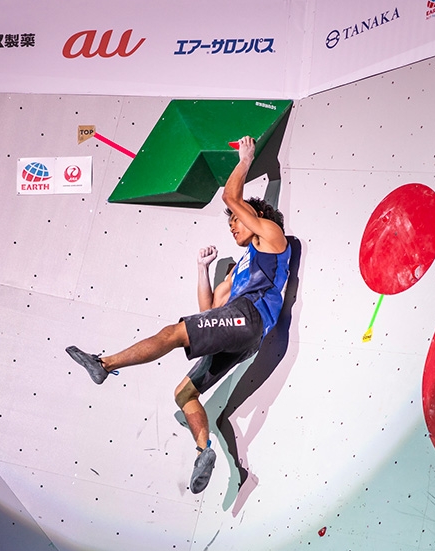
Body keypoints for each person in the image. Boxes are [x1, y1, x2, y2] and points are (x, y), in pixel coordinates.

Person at [66, 136, 290, 494]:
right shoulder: (242, 266)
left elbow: (231, 197)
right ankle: (204, 452)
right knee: (184, 393)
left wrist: (245, 159)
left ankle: (104, 364)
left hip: (250, 317)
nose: (232, 226)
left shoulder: (273, 236)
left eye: (236, 221)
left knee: (174, 333)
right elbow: (210, 312)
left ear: (256, 218)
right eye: (230, 223)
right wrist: (203, 269)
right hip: (244, 332)